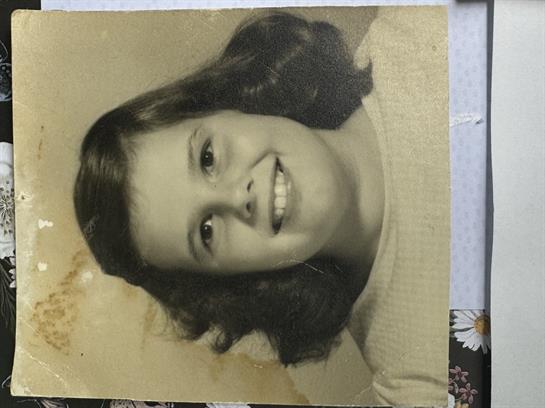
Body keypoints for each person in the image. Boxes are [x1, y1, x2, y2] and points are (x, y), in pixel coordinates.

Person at [74, 8, 449, 406]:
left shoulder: (425, 21)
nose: (238, 198)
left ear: (226, 103)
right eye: (206, 232)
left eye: (207, 158)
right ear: (232, 281)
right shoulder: (415, 385)